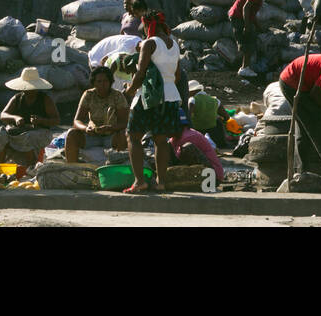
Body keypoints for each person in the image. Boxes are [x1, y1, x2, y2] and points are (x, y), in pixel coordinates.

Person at [123, 11, 184, 193]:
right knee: (161, 140)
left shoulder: (149, 43)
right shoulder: (174, 45)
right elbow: (177, 75)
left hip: (149, 96)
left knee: (133, 136)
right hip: (171, 96)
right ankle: (161, 182)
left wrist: (130, 91)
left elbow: (141, 72)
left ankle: (139, 181)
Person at [0, 66, 59, 166]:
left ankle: (31, 167)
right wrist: (15, 118)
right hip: (19, 132)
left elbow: (56, 120)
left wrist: (41, 120)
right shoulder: (17, 98)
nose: (29, 91)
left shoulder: (45, 99)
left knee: (28, 137)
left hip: (40, 133)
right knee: (1, 135)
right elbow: (3, 115)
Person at [67, 66, 130, 163]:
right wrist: (86, 128)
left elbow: (124, 122)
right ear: (93, 83)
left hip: (111, 136)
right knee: (72, 134)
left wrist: (110, 128)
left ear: (110, 82)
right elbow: (77, 120)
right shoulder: (88, 95)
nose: (102, 84)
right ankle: (72, 168)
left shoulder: (117, 96)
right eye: (99, 81)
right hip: (92, 135)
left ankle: (117, 164)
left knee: (124, 135)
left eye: (105, 81)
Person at [229, 0, 276, 78]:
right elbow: (246, 8)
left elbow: (252, 13)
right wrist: (247, 26)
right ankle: (244, 68)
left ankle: (245, 67)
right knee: (248, 40)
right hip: (238, 17)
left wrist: (258, 27)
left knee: (250, 38)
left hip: (241, 17)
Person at [186, 80, 230, 149]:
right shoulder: (215, 100)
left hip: (198, 131)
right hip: (213, 132)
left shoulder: (192, 100)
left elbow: (188, 116)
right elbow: (227, 117)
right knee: (218, 121)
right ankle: (221, 144)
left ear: (192, 91)